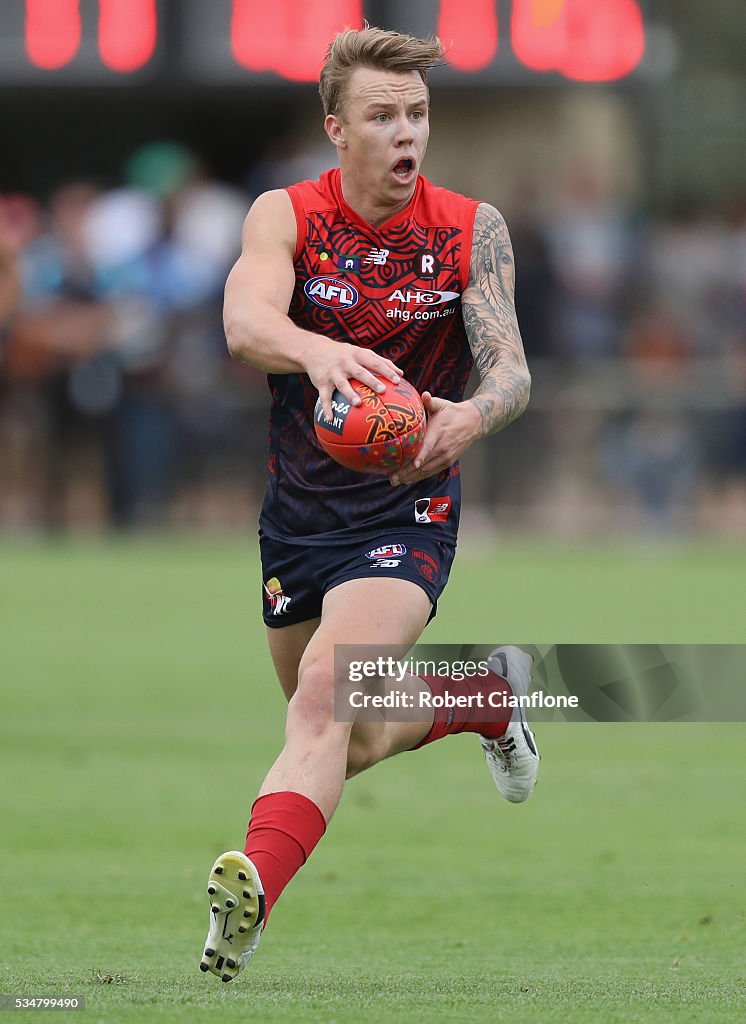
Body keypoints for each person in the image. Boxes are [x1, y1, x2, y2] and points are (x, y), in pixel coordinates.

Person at [200, 26, 537, 983]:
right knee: (349, 739)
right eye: (383, 115)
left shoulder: (470, 228)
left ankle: (250, 893)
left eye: (418, 115)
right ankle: (484, 699)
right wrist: (314, 350)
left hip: (407, 512)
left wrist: (471, 417)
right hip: (299, 518)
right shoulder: (288, 215)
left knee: (321, 698)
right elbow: (242, 319)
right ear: (336, 129)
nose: (406, 135)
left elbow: (511, 368)